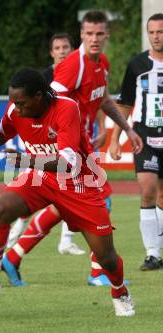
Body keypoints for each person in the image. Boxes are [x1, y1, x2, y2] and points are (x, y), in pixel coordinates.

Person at [0, 68, 135, 317]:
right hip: (41, 178)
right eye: (13, 102)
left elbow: (69, 163)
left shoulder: (66, 108)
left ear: (39, 96)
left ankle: (120, 292)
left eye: (21, 103)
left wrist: (27, 160)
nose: (15, 109)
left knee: (106, 258)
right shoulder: (15, 109)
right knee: (2, 209)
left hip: (79, 184)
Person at [4, 11, 143, 287]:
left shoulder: (102, 63)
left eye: (99, 33)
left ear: (107, 35)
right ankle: (97, 272)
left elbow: (102, 99)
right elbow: (50, 105)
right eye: (89, 33)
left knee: (63, 207)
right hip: (68, 153)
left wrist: (124, 128)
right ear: (81, 34)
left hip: (82, 151)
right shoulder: (72, 66)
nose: (94, 38)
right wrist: (56, 143)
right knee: (100, 201)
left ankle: (14, 256)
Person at [8, 32, 87, 256]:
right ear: (51, 52)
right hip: (43, 147)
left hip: (69, 143)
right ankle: (16, 234)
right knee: (41, 194)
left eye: (66, 47)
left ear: (72, 50)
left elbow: (97, 101)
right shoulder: (43, 79)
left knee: (73, 192)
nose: (62, 51)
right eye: (58, 47)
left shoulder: (79, 73)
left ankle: (65, 241)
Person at [109, 13, 163, 271]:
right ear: (147, 33)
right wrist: (115, 139)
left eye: (161, 31)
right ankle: (152, 253)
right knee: (147, 189)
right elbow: (124, 104)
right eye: (152, 32)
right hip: (144, 137)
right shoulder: (137, 64)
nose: (156, 36)